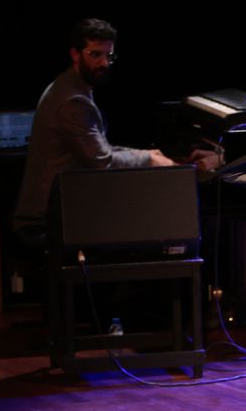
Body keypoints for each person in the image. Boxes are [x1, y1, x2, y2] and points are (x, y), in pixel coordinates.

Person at [13, 18, 174, 244]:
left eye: (109, 56)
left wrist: (150, 154)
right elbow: (102, 162)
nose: (104, 63)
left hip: (63, 211)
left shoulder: (73, 87)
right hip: (45, 222)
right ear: (75, 54)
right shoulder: (72, 100)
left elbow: (98, 148)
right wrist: (149, 159)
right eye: (95, 54)